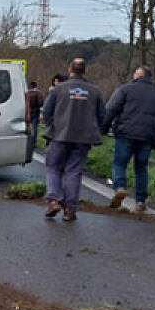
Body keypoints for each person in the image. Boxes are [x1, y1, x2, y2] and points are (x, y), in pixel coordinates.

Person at [102, 65, 155, 214]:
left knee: (119, 163)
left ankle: (120, 187)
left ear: (137, 75)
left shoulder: (125, 89)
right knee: (141, 168)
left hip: (126, 133)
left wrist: (103, 128)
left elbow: (111, 109)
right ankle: (140, 201)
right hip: (148, 137)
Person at [40, 57, 105, 222]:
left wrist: (52, 127)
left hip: (59, 136)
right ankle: (69, 209)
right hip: (82, 138)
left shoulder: (58, 89)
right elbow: (102, 116)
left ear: (70, 70)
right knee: (73, 171)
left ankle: (53, 200)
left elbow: (46, 112)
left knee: (53, 167)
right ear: (85, 71)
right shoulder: (94, 91)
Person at [25, 80, 44, 161]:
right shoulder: (38, 93)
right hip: (35, 112)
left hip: (27, 112)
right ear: (35, 86)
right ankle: (33, 142)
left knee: (27, 127)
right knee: (35, 127)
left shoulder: (26, 93)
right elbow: (41, 103)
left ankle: (26, 142)